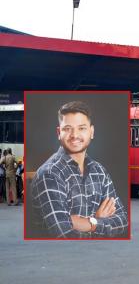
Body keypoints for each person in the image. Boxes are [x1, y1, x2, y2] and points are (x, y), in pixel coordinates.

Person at [31, 101, 128, 238]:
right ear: (59, 132)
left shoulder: (100, 172)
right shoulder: (49, 174)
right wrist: (100, 221)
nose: (74, 135)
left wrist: (91, 222)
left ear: (91, 132)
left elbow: (123, 221)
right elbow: (63, 233)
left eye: (81, 128)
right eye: (68, 128)